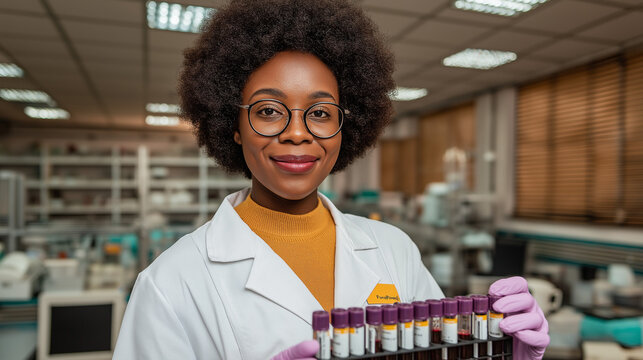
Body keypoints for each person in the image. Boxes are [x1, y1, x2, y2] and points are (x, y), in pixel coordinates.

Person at [113, 0, 549, 359]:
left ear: (345, 127)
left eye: (320, 113)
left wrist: (502, 352)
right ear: (233, 124)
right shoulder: (172, 282)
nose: (297, 132)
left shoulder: (393, 250)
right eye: (268, 110)